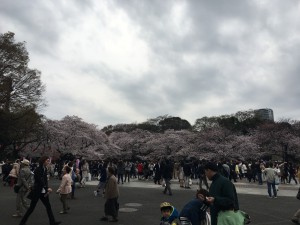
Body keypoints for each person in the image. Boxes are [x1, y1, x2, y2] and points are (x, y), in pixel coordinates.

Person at [19, 156, 61, 225]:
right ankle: (22, 222)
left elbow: (44, 180)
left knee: (48, 206)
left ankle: (52, 222)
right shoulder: (38, 169)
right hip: (37, 191)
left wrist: (46, 188)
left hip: (43, 191)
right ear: (43, 161)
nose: (48, 162)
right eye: (47, 161)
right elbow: (39, 180)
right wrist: (47, 188)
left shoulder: (45, 168)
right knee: (31, 208)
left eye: (48, 160)